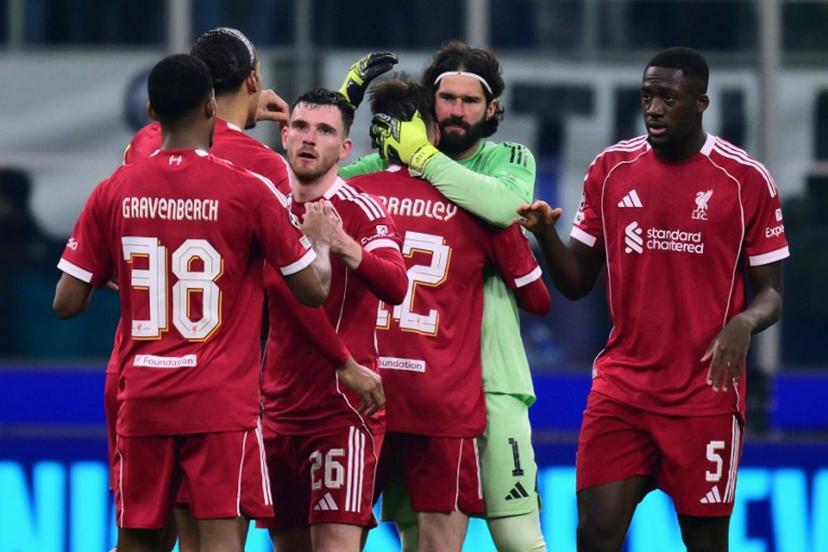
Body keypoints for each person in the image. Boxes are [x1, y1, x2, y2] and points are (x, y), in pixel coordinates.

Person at [53, 53, 333, 552]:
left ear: (150, 110)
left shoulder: (113, 189)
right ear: (210, 106)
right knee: (220, 537)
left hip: (143, 398)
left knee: (137, 537)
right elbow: (312, 290)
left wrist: (123, 269)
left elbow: (66, 302)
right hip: (219, 402)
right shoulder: (249, 189)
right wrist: (322, 241)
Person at [517, 47, 789, 551]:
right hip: (623, 389)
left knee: (705, 542)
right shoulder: (612, 169)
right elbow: (577, 282)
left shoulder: (745, 179)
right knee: (595, 534)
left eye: (668, 97)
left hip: (704, 395)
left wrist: (744, 323)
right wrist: (545, 237)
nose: (654, 108)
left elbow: (771, 292)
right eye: (647, 96)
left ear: (701, 103)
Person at [118, 28, 372, 550]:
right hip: (216, 389)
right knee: (211, 538)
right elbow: (292, 286)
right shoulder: (262, 169)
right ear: (253, 79)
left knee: (142, 538)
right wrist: (341, 358)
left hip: (137, 375)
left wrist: (242, 114)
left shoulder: (143, 146)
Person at [340, 43, 548, 551]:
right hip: (416, 384)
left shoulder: (507, 159)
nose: (457, 110)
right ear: (429, 107)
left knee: (517, 535)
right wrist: (342, 113)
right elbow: (310, 186)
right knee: (416, 532)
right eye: (447, 99)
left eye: (470, 101)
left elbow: (503, 206)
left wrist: (421, 157)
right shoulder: (387, 168)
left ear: (492, 109)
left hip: (492, 375)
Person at [259, 88, 408, 552]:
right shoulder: (265, 206)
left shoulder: (359, 210)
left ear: (344, 149)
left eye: (325, 131)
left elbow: (397, 286)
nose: (310, 139)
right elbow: (278, 299)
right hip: (276, 412)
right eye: (301, 127)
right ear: (284, 136)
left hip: (342, 412)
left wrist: (343, 244)